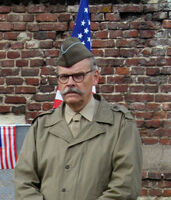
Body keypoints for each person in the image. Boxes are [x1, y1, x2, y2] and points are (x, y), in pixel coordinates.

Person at [14, 37, 143, 200]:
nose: (70, 83)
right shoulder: (42, 127)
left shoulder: (120, 124)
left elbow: (125, 187)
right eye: (64, 77)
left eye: (78, 76)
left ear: (95, 77)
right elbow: (24, 183)